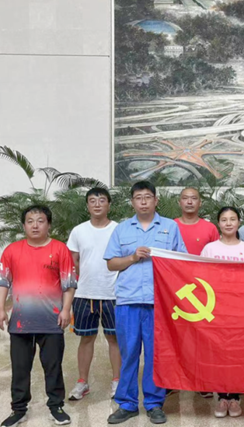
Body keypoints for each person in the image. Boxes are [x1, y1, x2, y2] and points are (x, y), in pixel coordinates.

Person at [104, 181, 187, 425]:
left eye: (148, 197)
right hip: (128, 300)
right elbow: (111, 263)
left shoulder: (170, 227)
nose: (143, 201)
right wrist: (132, 257)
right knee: (129, 354)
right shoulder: (121, 229)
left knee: (155, 355)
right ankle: (127, 404)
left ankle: (154, 404)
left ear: (155, 200)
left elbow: (181, 261)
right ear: (132, 202)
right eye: (138, 197)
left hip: (159, 302)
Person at [0, 205, 77, 426]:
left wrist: (66, 309)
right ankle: (18, 409)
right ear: (24, 225)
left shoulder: (59, 249)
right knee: (20, 368)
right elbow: (3, 281)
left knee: (53, 366)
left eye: (40, 221)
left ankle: (56, 406)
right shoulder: (12, 250)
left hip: (52, 320)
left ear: (48, 224)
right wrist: (1, 309)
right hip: (21, 321)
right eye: (30, 221)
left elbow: (69, 284)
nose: (35, 225)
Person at [200, 207, 244, 418]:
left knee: (238, 353)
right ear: (218, 224)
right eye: (224, 219)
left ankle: (235, 397)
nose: (229, 223)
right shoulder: (210, 249)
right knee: (218, 352)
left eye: (233, 219)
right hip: (215, 309)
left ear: (239, 222)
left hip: (240, 310)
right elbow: (200, 276)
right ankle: (221, 396)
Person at [66, 188, 121, 401]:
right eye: (92, 201)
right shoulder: (78, 231)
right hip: (85, 293)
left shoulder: (118, 229)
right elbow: (73, 262)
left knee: (114, 339)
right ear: (87, 205)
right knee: (86, 338)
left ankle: (117, 382)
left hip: (113, 294)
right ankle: (82, 382)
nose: (97, 204)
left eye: (102, 200)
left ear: (109, 204)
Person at [173, 187, 219, 399]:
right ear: (179, 202)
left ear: (200, 203)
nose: (189, 202)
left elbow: (216, 258)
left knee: (202, 337)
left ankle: (202, 380)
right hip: (173, 289)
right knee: (176, 335)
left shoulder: (210, 228)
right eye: (185, 198)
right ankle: (173, 379)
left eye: (194, 198)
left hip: (203, 290)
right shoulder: (170, 226)